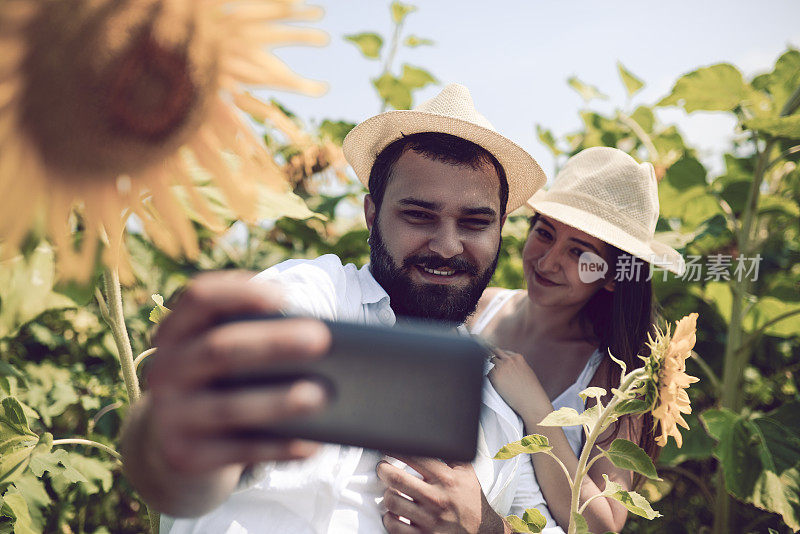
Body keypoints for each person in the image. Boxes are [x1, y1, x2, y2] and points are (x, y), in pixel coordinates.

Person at [120, 83, 550, 533]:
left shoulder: (499, 405)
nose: (446, 246)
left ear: (500, 229)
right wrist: (187, 420)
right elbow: (186, 459)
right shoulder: (318, 299)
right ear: (372, 215)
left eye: (474, 222)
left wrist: (487, 528)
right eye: (418, 215)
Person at [467, 146, 685, 533]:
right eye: (545, 233)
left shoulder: (615, 376)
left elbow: (602, 525)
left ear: (614, 276)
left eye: (579, 253)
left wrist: (537, 410)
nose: (548, 261)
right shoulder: (472, 309)